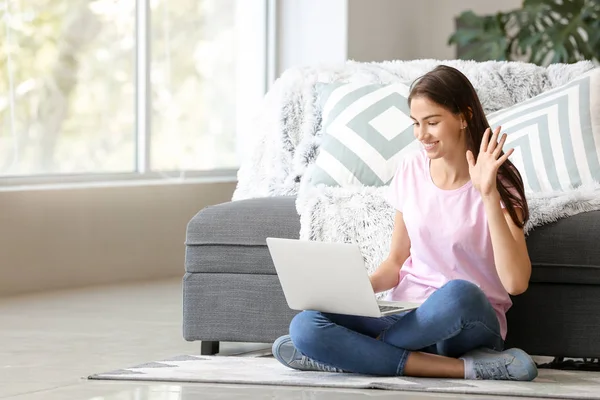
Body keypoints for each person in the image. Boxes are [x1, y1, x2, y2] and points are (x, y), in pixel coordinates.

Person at [271, 65, 539, 381]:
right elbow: (396, 262)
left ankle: (354, 355)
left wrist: (488, 194)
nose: (421, 135)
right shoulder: (411, 169)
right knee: (305, 326)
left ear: (464, 116)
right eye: (416, 123)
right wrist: (354, 291)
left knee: (457, 293)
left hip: (467, 318)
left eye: (432, 122)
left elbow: (515, 283)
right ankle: (466, 368)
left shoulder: (499, 181)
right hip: (407, 314)